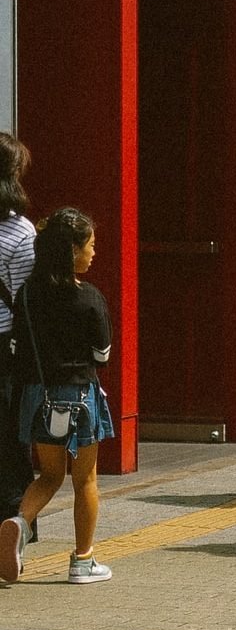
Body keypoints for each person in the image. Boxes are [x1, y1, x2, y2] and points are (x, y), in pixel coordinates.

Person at [1, 209, 116, 584]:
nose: (94, 253)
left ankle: (18, 522)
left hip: (38, 395)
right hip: (79, 396)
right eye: (90, 246)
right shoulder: (89, 298)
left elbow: (18, 344)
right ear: (72, 251)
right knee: (85, 480)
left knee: (49, 474)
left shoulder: (29, 294)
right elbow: (103, 355)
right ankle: (83, 561)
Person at [0, 135, 35, 541]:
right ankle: (12, 534)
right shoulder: (20, 233)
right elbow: (27, 303)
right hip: (5, 355)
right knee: (10, 448)